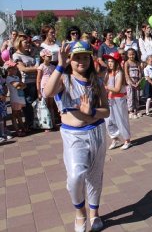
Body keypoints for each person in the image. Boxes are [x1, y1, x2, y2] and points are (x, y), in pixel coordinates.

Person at [43, 41, 110, 232]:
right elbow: (47, 92)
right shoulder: (64, 78)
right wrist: (60, 65)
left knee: (95, 176)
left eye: (85, 56)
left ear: (90, 58)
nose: (81, 61)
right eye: (77, 57)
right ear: (70, 59)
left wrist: (92, 111)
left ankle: (94, 213)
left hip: (96, 131)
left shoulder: (96, 81)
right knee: (75, 177)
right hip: (74, 136)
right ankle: (80, 212)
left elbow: (106, 111)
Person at [103, 51, 132, 150]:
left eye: (112, 61)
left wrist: (105, 87)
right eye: (108, 61)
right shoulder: (108, 73)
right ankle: (114, 138)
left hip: (119, 99)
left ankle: (127, 140)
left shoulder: (119, 73)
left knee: (121, 119)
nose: (109, 63)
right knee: (108, 121)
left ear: (116, 62)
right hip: (110, 99)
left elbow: (117, 89)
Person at [12, 36, 38, 130]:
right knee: (28, 104)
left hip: (36, 81)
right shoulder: (16, 55)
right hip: (26, 83)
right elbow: (23, 69)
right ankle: (29, 124)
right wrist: (37, 68)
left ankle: (36, 122)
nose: (28, 44)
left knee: (36, 103)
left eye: (28, 42)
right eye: (25, 43)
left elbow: (36, 49)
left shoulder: (29, 53)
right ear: (19, 43)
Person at [36, 49, 56, 132]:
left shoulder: (52, 66)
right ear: (43, 57)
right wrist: (39, 92)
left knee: (51, 105)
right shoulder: (41, 67)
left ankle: (53, 123)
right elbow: (38, 80)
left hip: (51, 86)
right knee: (45, 106)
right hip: (44, 87)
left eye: (51, 56)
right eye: (48, 56)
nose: (50, 57)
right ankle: (47, 125)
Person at [5, 61, 26, 136]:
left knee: (19, 114)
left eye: (16, 69)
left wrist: (20, 85)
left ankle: (22, 128)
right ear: (8, 69)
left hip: (20, 97)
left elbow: (23, 86)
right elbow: (16, 85)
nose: (15, 70)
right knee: (14, 115)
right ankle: (17, 130)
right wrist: (20, 84)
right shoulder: (8, 78)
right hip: (15, 99)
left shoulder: (16, 77)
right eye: (13, 69)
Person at [123, 48, 141, 119]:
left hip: (137, 81)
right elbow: (126, 74)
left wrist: (139, 81)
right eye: (130, 55)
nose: (131, 56)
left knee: (136, 96)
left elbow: (140, 73)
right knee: (130, 96)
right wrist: (131, 82)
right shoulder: (127, 63)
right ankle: (130, 111)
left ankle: (136, 109)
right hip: (130, 82)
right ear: (127, 55)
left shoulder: (137, 63)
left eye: (133, 54)